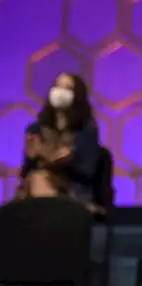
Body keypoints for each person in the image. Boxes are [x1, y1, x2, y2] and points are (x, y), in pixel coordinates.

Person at [17, 73, 101, 207]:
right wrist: (31, 157)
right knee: (37, 178)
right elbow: (25, 173)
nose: (60, 92)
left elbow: (88, 172)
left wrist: (64, 161)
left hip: (74, 190)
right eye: (57, 86)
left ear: (77, 95)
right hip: (36, 187)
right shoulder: (36, 129)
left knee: (40, 179)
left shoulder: (85, 130)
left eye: (67, 88)